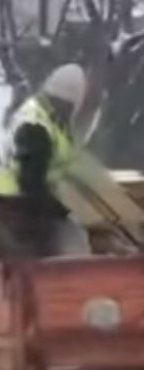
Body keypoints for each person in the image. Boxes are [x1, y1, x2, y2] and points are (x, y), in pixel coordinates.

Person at [0, 64, 91, 256]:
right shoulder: (36, 128)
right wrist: (63, 211)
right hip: (14, 208)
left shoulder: (48, 115)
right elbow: (31, 183)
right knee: (72, 246)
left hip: (23, 203)